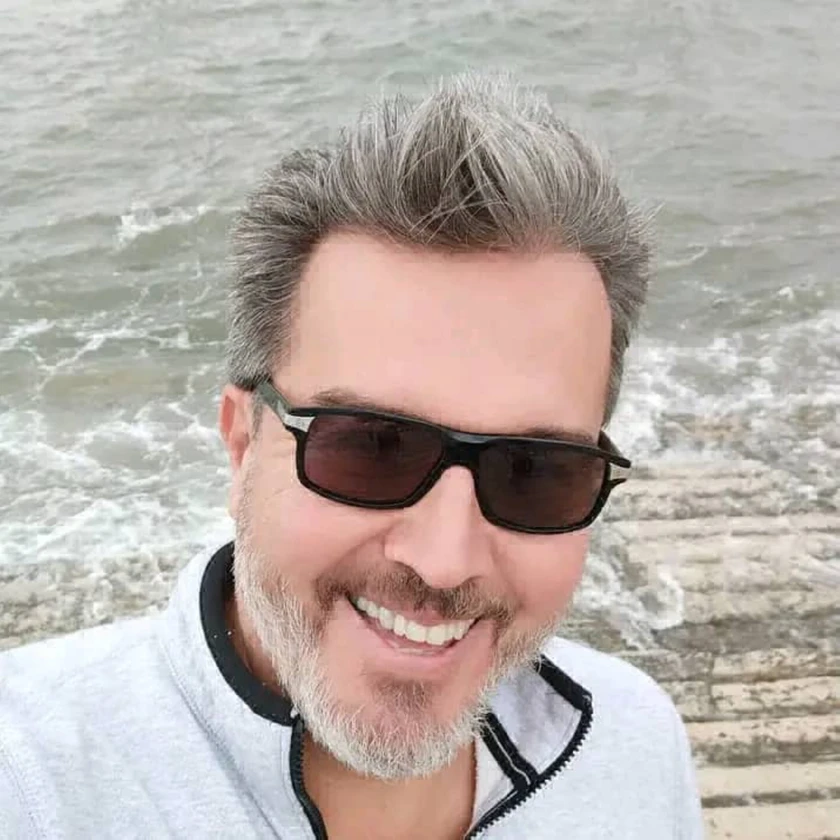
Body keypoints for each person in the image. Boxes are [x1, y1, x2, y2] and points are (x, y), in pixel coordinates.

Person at [0, 73, 704, 839]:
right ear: (243, 446)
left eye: (534, 471)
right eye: (372, 448)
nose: (444, 563)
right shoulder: (31, 782)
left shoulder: (634, 745)